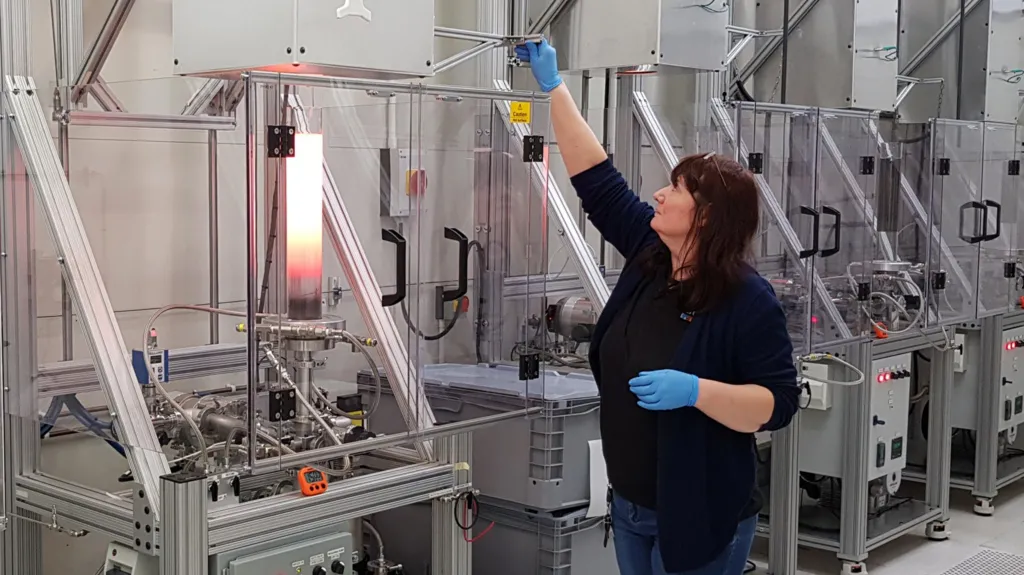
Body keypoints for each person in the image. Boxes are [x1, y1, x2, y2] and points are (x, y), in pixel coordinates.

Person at [514, 40, 801, 575]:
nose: (659, 196)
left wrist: (697, 392)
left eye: (675, 189)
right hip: (630, 505)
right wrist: (555, 89)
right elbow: (596, 181)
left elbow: (778, 403)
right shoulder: (650, 259)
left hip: (701, 511)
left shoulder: (746, 299)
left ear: (708, 218)